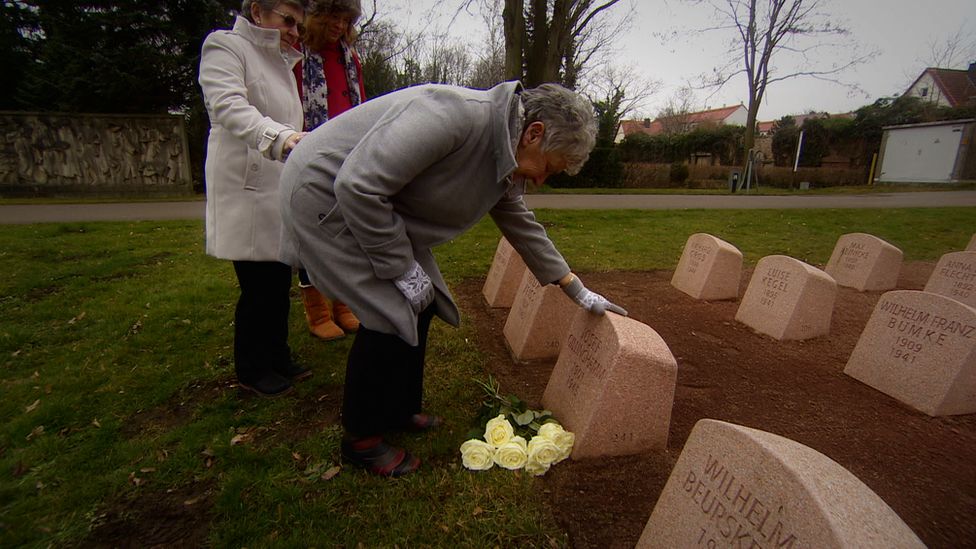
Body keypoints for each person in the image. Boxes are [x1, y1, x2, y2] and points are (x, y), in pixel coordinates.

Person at [278, 81, 627, 476]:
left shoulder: (505, 147)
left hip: (377, 208)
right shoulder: (453, 115)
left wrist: (575, 289)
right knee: (389, 313)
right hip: (327, 199)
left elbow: (521, 222)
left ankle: (397, 408)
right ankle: (361, 438)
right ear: (535, 132)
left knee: (423, 302)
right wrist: (398, 267)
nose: (541, 181)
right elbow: (358, 185)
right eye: (547, 168)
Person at [198, 0, 310, 398]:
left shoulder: (281, 63)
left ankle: (277, 355)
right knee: (258, 286)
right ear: (258, 11)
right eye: (289, 20)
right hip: (245, 187)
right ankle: (252, 368)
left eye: (299, 24)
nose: (296, 31)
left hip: (277, 187)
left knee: (278, 281)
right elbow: (229, 106)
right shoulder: (225, 46)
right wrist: (280, 139)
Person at [293, 0, 366, 341]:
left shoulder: (349, 58)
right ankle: (317, 309)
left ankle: (344, 303)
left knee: (347, 227)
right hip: (311, 151)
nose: (339, 25)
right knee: (312, 227)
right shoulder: (299, 56)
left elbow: (361, 105)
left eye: (345, 18)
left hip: (349, 152)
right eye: (332, 17)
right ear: (316, 16)